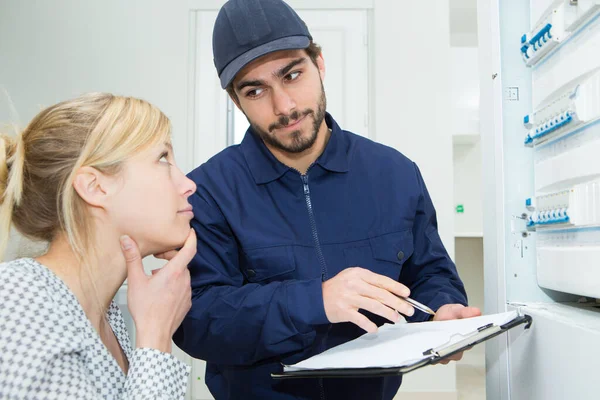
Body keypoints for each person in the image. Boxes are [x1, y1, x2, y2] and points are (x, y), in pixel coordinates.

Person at [173, 0, 481, 399]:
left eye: (292, 74)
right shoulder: (208, 191)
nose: (283, 106)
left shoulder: (395, 173)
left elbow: (429, 272)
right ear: (236, 101)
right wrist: (315, 301)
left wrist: (445, 308)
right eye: (255, 90)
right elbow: (197, 322)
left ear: (319, 63)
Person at [0, 93, 197, 399]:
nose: (189, 184)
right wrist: (156, 334)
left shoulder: (107, 317)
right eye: (162, 158)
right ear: (95, 187)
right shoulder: (18, 296)